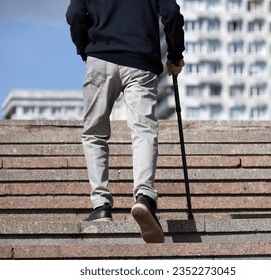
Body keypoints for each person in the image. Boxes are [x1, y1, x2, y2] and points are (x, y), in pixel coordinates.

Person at [66, 0, 185, 243]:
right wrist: (175, 54)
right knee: (143, 130)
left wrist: (85, 48)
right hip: (141, 60)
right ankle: (144, 197)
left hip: (100, 57)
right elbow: (171, 12)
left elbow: (75, 14)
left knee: (94, 134)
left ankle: (101, 205)